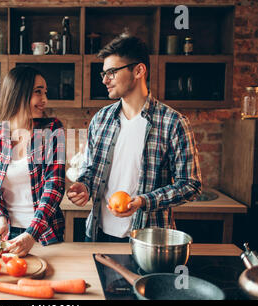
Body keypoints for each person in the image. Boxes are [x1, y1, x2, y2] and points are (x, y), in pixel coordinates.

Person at [66, 34, 202, 242]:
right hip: (97, 234)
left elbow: (190, 184)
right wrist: (84, 186)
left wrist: (143, 201)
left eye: (111, 72)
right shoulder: (101, 119)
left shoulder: (173, 122)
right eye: (104, 73)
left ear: (138, 70)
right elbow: (91, 170)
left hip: (147, 240)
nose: (104, 80)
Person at [0, 65, 66, 256]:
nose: (45, 100)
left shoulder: (51, 130)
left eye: (45, 92)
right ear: (18, 94)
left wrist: (31, 233)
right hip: (5, 234)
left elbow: (55, 186)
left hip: (44, 235)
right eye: (38, 92)